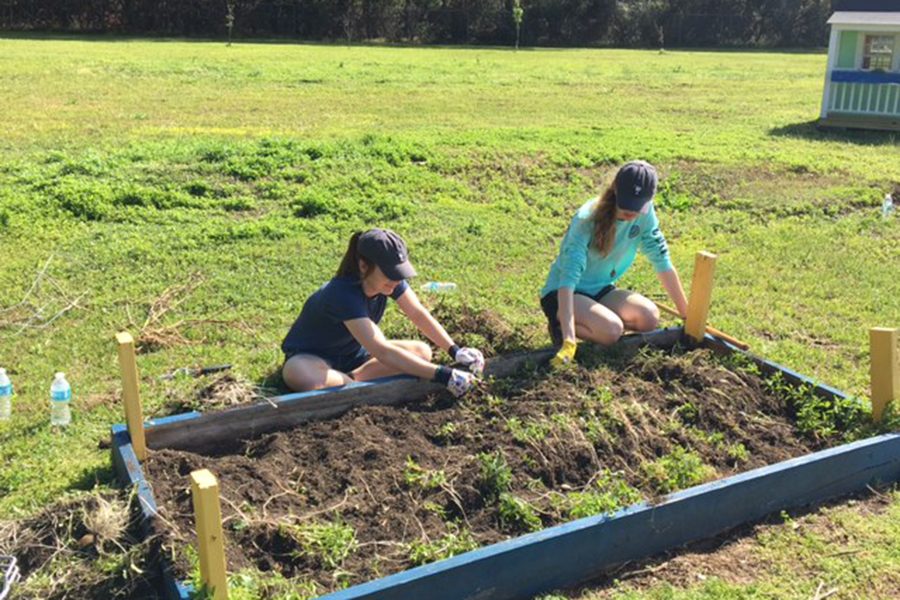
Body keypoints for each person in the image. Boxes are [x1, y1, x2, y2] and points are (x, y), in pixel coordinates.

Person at [281, 228, 484, 396]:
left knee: (422, 352)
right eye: (391, 273)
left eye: (400, 273)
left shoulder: (389, 281)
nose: (397, 280)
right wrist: (444, 375)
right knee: (300, 376)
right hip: (312, 358)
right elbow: (382, 350)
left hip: (354, 355)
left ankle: (349, 380)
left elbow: (417, 313)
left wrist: (455, 350)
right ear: (363, 266)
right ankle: (349, 382)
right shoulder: (342, 293)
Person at [540, 160, 690, 368]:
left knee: (649, 318)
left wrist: (687, 315)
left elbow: (661, 260)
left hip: (601, 289)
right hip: (563, 294)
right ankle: (560, 324)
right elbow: (568, 277)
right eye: (626, 203)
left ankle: (597, 320)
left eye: (637, 207)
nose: (630, 212)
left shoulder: (646, 215)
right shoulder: (586, 219)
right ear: (616, 190)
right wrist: (568, 339)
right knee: (611, 330)